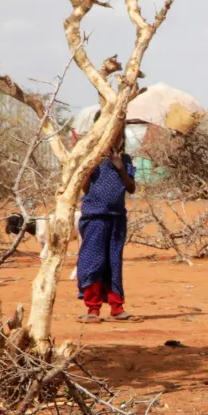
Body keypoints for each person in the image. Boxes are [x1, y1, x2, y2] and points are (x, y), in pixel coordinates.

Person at [77, 129, 133, 318]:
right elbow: (83, 187)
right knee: (93, 261)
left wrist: (120, 168)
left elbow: (131, 187)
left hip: (116, 217)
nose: (115, 135)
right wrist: (90, 167)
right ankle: (93, 308)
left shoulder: (125, 160)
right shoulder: (91, 158)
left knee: (113, 262)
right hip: (94, 216)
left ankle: (117, 307)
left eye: (118, 131)